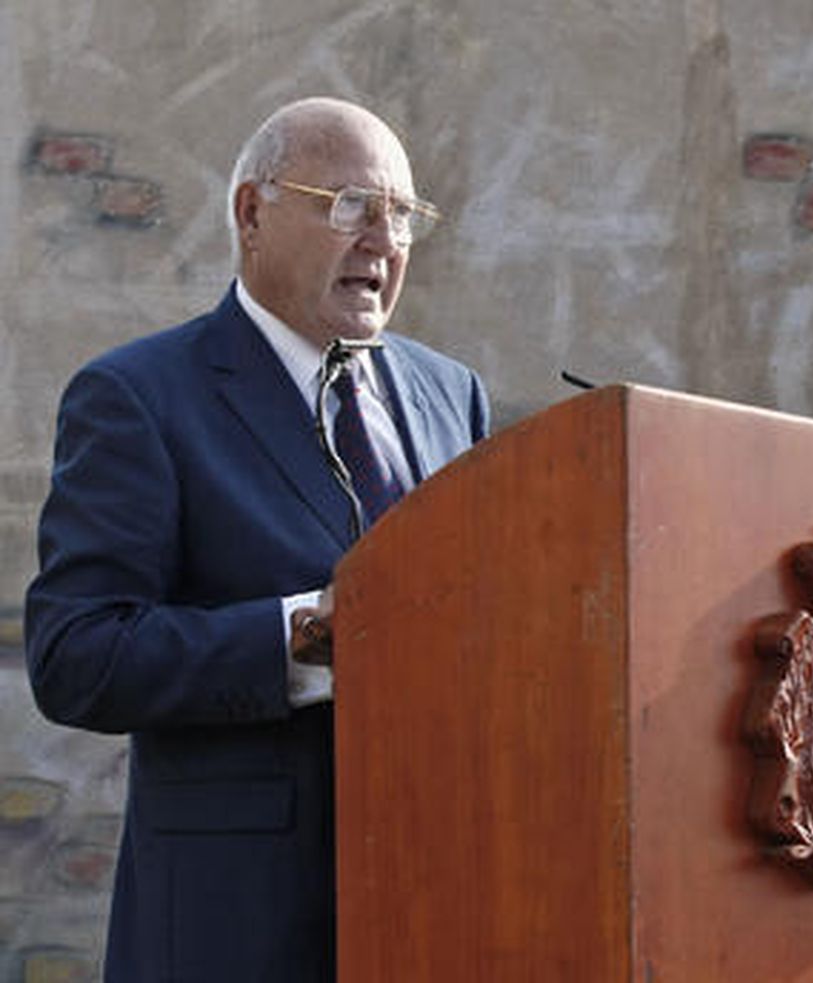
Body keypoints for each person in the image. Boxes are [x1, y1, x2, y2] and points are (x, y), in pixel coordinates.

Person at [24, 97, 489, 981]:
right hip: (237, 924)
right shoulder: (140, 397)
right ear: (252, 211)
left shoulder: (448, 392)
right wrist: (311, 636)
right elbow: (75, 655)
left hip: (444, 901)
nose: (383, 241)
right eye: (351, 204)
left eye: (403, 216)